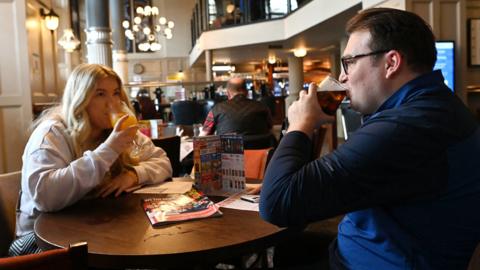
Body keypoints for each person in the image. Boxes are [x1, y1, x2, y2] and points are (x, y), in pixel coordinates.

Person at [260, 8, 480, 270]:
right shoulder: (432, 106)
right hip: (368, 246)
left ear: (391, 63)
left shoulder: (407, 128)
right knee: (291, 247)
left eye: (349, 62)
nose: (342, 76)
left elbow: (276, 203)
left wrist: (300, 125)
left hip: (375, 261)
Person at [9, 64, 172, 256]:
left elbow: (162, 162)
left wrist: (134, 175)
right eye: (100, 94)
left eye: (116, 93)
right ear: (81, 98)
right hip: (41, 244)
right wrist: (109, 150)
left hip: (93, 230)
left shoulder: (115, 130)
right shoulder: (52, 133)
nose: (112, 103)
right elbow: (46, 197)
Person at [200, 77, 276, 149]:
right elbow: (271, 132)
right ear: (246, 92)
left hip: (227, 160)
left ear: (228, 93)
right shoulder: (263, 107)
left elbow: (202, 138)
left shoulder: (216, 109)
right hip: (262, 160)